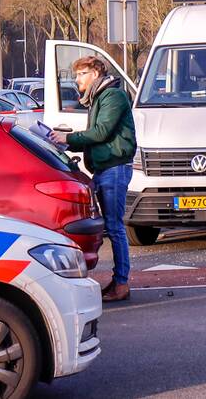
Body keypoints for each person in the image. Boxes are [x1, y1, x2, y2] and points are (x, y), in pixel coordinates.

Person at [50, 56, 137, 302]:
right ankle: (116, 282)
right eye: (76, 74)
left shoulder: (112, 96)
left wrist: (67, 139)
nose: (77, 79)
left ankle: (121, 284)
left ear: (96, 73)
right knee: (110, 226)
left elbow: (101, 132)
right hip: (105, 168)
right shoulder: (99, 97)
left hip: (114, 168)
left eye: (81, 73)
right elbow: (96, 136)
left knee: (115, 227)